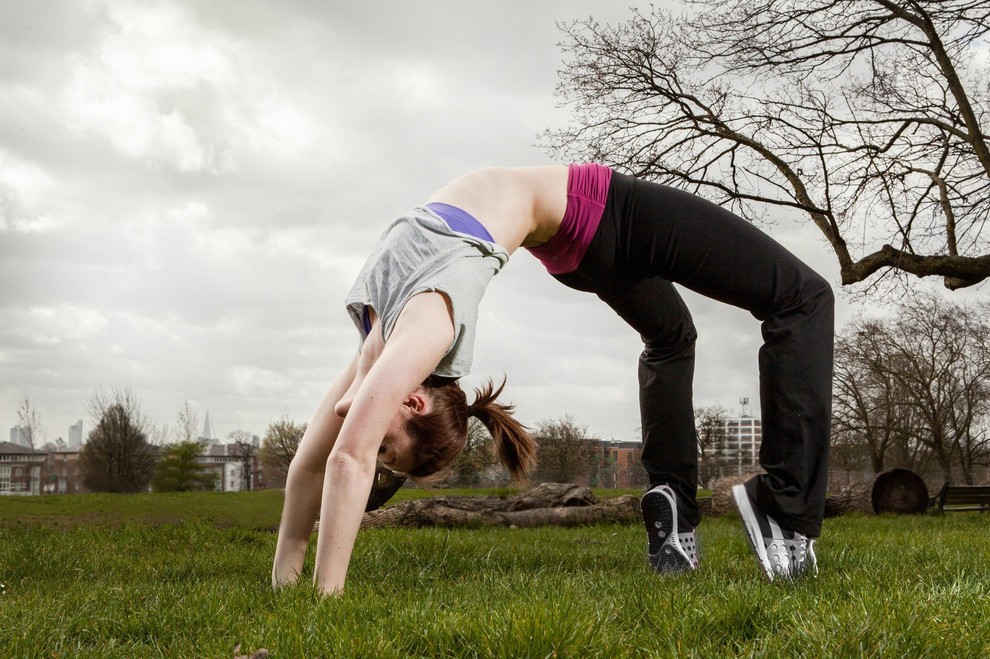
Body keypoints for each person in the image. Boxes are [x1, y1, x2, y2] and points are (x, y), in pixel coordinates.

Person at [271, 163, 833, 594]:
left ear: (413, 402)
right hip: (601, 216)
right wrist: (327, 603)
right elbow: (341, 458)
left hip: (580, 246)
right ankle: (784, 508)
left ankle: (673, 502)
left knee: (670, 338)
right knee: (803, 298)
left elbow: (322, 460)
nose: (373, 446)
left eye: (384, 447)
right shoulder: (420, 328)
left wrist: (296, 583)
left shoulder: (399, 334)